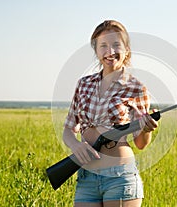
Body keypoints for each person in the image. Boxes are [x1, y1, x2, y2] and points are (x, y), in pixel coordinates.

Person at [63, 20, 158, 207]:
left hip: (120, 177)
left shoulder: (136, 88)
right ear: (96, 50)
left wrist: (147, 130)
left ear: (126, 49)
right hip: (87, 178)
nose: (110, 51)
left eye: (116, 45)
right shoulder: (84, 84)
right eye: (103, 46)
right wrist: (75, 145)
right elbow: (68, 129)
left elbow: (140, 144)